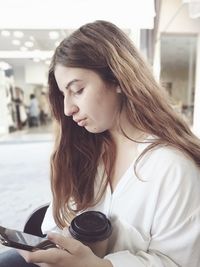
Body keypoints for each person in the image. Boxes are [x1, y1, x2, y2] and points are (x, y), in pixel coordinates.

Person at [1, 20, 200, 267]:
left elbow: (181, 262)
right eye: (64, 94)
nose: (67, 109)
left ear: (117, 79)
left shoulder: (172, 167)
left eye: (78, 89)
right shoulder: (85, 151)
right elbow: (56, 222)